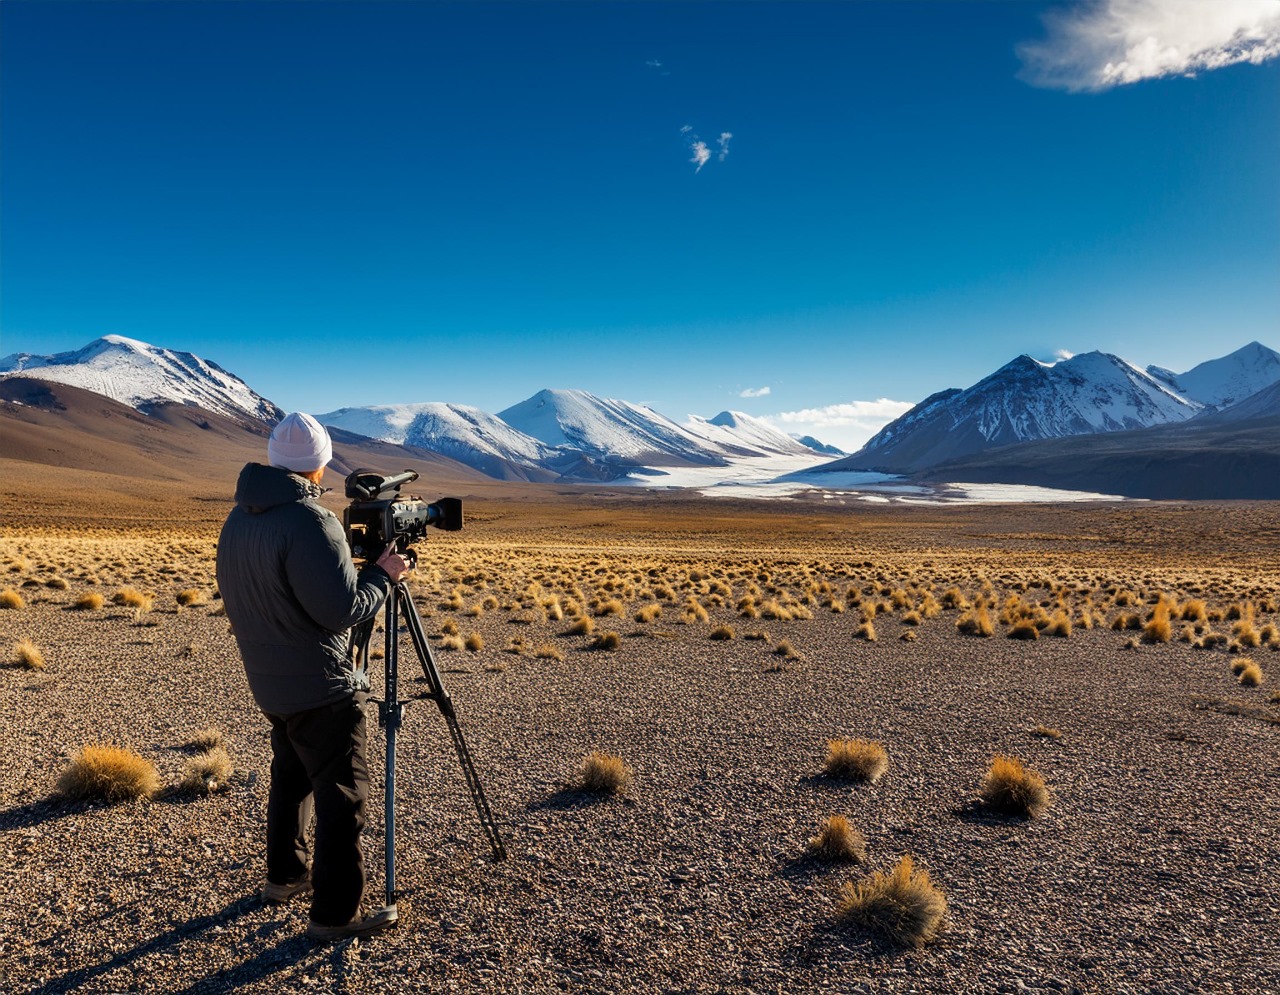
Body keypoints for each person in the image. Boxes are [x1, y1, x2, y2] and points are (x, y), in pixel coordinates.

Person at [216, 412, 410, 942]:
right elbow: (341, 609)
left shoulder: (240, 517)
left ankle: (285, 877)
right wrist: (381, 576)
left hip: (271, 681)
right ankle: (335, 913)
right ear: (320, 465)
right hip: (320, 684)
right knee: (343, 794)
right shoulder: (311, 521)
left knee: (292, 777)